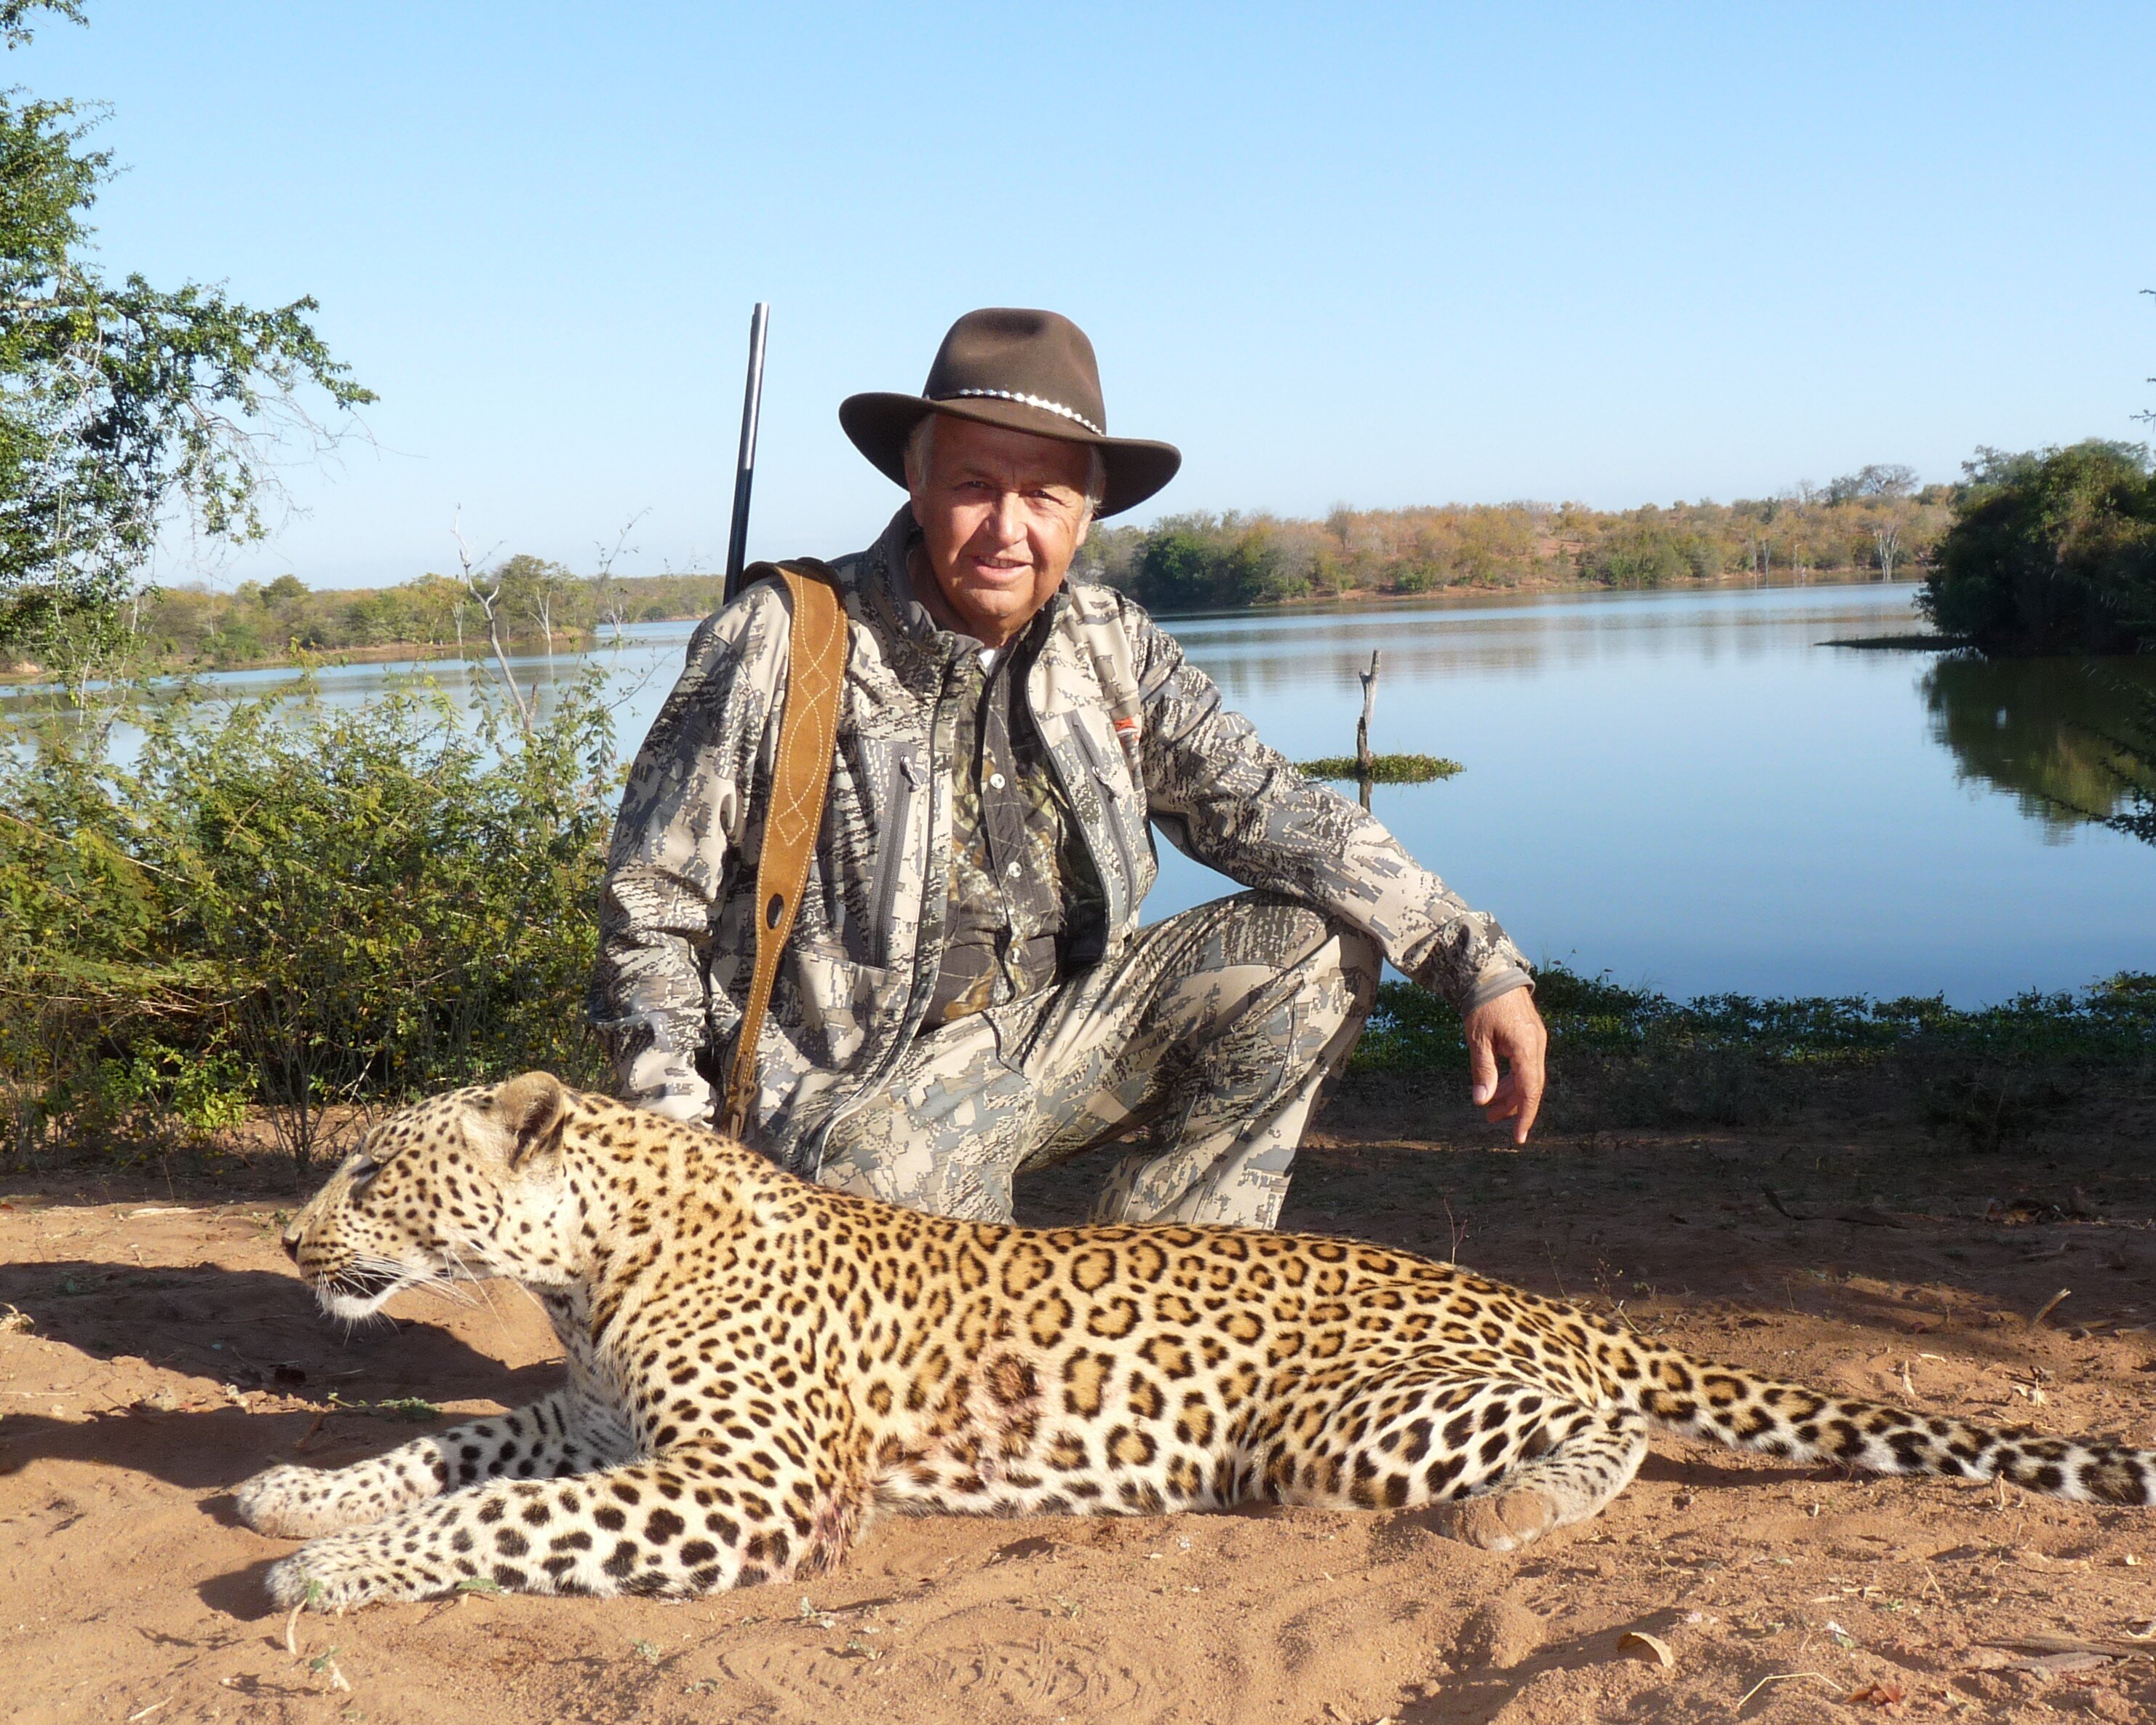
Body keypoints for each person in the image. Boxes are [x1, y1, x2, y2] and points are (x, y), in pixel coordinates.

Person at [592, 308, 1546, 1226]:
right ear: (916, 487)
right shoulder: (779, 643)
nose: (1009, 526)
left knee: (1315, 948)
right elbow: (651, 910)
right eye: (974, 485)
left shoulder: (1112, 644)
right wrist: (682, 1162)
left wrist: (1480, 967)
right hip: (855, 1102)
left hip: (1058, 1040)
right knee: (950, 1342)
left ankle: (1166, 1297)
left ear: (1086, 517)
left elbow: (1277, 813)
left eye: (1044, 495)